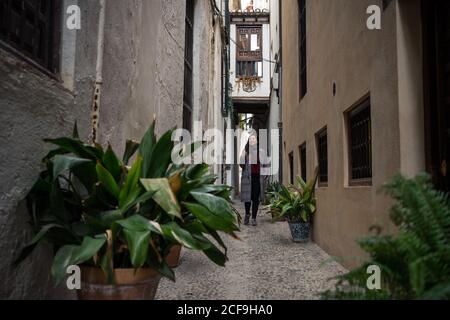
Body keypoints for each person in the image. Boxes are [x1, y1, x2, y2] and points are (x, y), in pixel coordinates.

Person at [240, 132, 269, 226]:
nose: (252, 140)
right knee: (248, 199)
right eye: (250, 139)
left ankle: (254, 218)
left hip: (257, 178)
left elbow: (266, 164)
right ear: (248, 141)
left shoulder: (261, 152)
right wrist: (243, 155)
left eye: (254, 139)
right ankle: (247, 214)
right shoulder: (246, 152)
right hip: (248, 178)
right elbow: (241, 165)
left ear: (257, 141)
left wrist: (266, 173)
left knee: (255, 199)